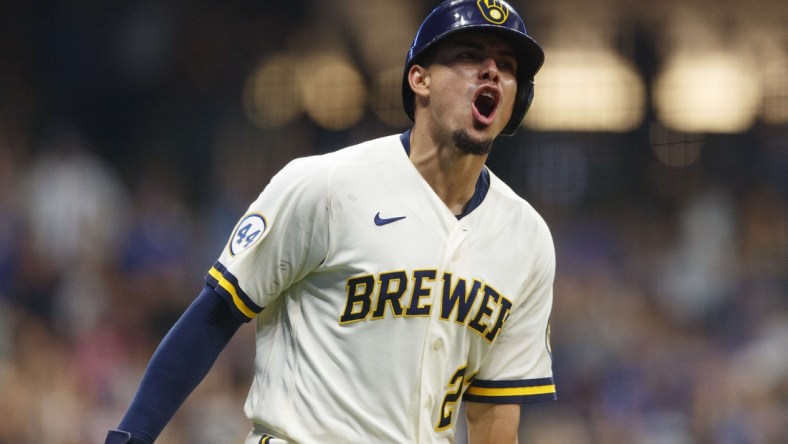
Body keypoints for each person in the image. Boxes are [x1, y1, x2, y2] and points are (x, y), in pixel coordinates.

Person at [106, 0, 555, 443]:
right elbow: (214, 316)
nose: (491, 71)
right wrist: (132, 436)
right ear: (419, 79)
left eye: (508, 65)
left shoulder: (526, 238)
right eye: (469, 55)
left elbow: (494, 408)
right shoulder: (328, 184)